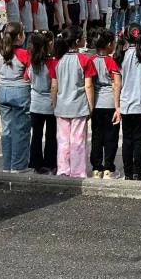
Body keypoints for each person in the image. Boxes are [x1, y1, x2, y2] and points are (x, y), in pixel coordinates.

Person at [53, 26, 96, 179]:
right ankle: (78, 172)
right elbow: (88, 85)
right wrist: (91, 106)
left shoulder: (58, 61)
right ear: (78, 42)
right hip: (78, 106)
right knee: (78, 140)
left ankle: (63, 169)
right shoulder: (84, 60)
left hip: (61, 106)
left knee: (63, 140)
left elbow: (54, 85)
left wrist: (54, 103)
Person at [115, 24, 141, 181]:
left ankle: (128, 173)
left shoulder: (119, 55)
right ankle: (138, 173)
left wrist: (117, 105)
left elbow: (117, 84)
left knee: (127, 139)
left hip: (126, 104)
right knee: (140, 141)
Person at [0, 23, 31, 173]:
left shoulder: (1, 53)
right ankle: (18, 165)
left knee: (7, 130)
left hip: (3, 91)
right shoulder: (23, 53)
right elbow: (30, 74)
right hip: (20, 92)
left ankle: (7, 165)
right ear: (20, 37)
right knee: (21, 130)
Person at [88, 27, 121, 179]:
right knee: (111, 137)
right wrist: (117, 106)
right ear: (108, 44)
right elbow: (116, 85)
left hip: (96, 104)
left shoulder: (91, 61)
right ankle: (108, 167)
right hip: (109, 104)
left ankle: (96, 167)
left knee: (97, 136)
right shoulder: (111, 61)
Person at [26, 31, 58, 175]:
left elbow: (27, 78)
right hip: (49, 104)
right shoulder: (52, 62)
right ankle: (51, 163)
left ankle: (36, 163)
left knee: (36, 135)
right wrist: (55, 101)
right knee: (51, 135)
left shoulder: (32, 60)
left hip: (35, 103)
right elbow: (54, 85)